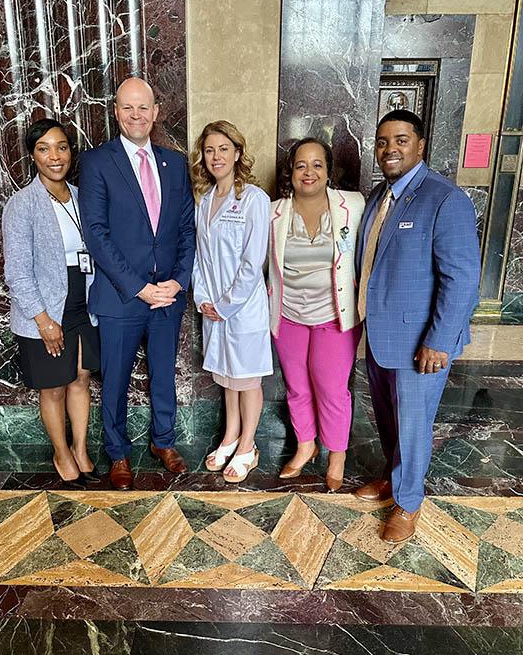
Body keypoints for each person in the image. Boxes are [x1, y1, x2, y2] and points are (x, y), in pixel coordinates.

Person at [355, 110, 481, 543]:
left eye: (401, 140)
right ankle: (393, 479)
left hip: (422, 342)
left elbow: (461, 278)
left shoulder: (445, 198)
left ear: (421, 145)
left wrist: (439, 340)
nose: (391, 149)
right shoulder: (379, 196)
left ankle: (408, 503)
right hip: (382, 334)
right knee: (389, 418)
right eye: (383, 141)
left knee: (413, 423)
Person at [78, 78, 195, 491]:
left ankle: (163, 442)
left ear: (156, 111)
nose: (136, 115)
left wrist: (178, 282)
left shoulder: (175, 163)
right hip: (120, 297)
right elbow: (96, 235)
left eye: (143, 107)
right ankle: (119, 454)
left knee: (163, 372)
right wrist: (139, 287)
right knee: (115, 379)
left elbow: (186, 229)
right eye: (127, 108)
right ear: (115, 112)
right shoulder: (96, 163)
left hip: (168, 296)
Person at [2, 119, 101, 488]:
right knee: (54, 386)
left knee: (80, 378)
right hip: (44, 307)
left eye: (61, 147)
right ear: (33, 155)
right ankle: (61, 453)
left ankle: (80, 448)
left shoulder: (80, 195)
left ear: (70, 151)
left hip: (81, 300)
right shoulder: (22, 205)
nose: (54, 156)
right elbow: (17, 272)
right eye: (44, 148)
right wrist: (44, 320)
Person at [269, 138, 364, 491]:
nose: (308, 172)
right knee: (296, 386)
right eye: (300, 165)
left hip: (334, 315)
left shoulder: (352, 206)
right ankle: (306, 444)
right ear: (290, 172)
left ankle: (336, 453)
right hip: (288, 314)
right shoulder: (273, 213)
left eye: (317, 165)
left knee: (331, 388)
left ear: (329, 171)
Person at [191, 121, 272, 483]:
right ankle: (229, 437)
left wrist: (225, 306)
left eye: (224, 149)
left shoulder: (254, 199)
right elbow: (199, 259)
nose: (216, 156)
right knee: (227, 378)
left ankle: (248, 447)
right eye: (210, 150)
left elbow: (253, 263)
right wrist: (204, 299)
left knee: (247, 379)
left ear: (237, 153)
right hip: (214, 309)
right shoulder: (205, 201)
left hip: (243, 310)